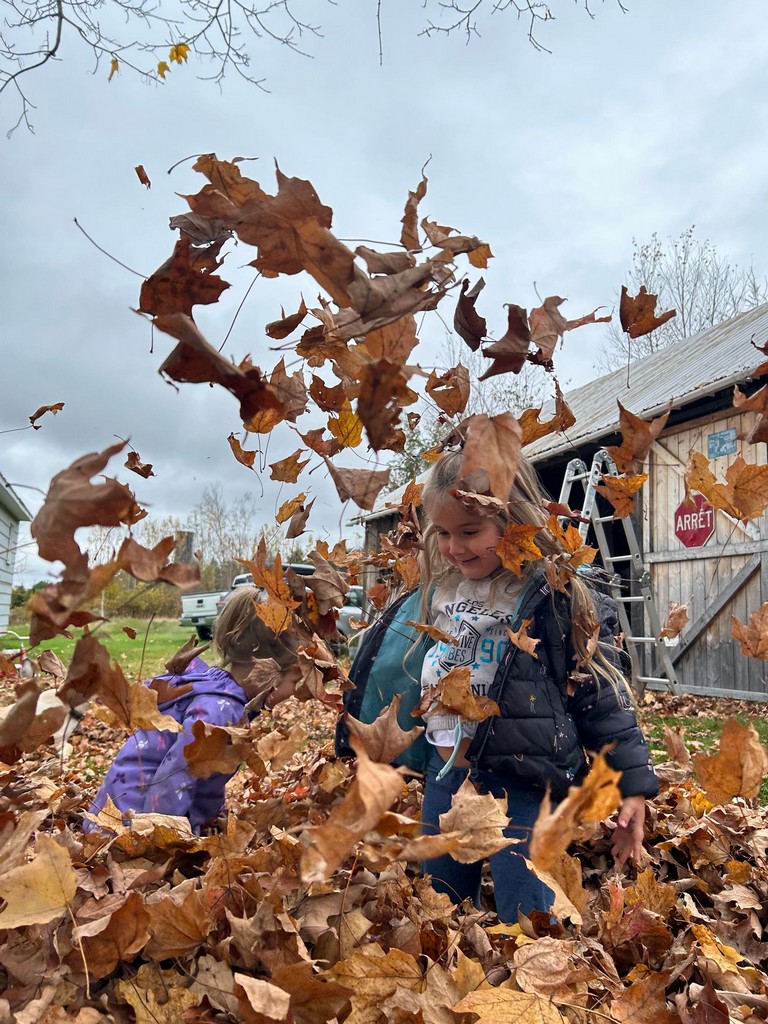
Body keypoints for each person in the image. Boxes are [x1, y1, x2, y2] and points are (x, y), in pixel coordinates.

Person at [418, 449, 659, 922]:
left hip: (522, 780)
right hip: (445, 774)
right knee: (442, 906)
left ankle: (530, 967)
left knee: (528, 912)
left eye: (470, 532)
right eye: (443, 533)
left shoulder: (553, 594)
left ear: (513, 522)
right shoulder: (444, 589)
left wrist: (631, 786)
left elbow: (602, 699)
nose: (454, 547)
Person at [82, 586, 298, 834]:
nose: (295, 691)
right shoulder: (218, 711)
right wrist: (169, 838)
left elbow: (205, 776)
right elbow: (174, 778)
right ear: (268, 669)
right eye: (294, 680)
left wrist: (209, 817)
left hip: (125, 816)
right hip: (128, 826)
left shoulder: (220, 695)